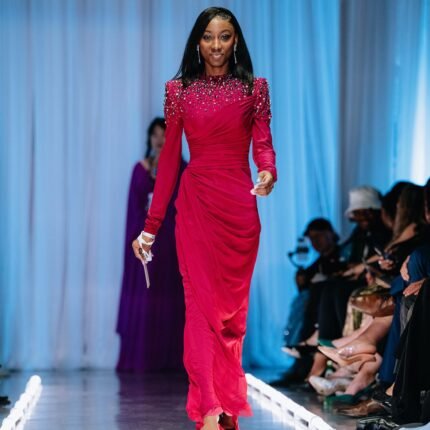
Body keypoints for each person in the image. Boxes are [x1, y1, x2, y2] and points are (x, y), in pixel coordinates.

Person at [132, 7, 277, 430]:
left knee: (231, 318)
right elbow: (169, 162)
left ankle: (226, 402)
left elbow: (263, 143)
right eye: (209, 36)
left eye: (224, 36)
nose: (216, 45)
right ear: (197, 41)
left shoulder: (254, 88)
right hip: (196, 207)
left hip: (239, 211)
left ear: (236, 41)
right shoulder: (178, 90)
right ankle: (210, 410)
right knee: (198, 309)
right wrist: (151, 227)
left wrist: (268, 172)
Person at [116, 117, 187, 372]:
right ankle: (143, 359)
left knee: (170, 297)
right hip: (146, 242)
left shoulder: (183, 169)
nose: (159, 139)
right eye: (155, 134)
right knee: (145, 297)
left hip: (171, 243)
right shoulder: (140, 169)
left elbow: (185, 207)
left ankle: (172, 359)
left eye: (164, 134)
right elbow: (133, 210)